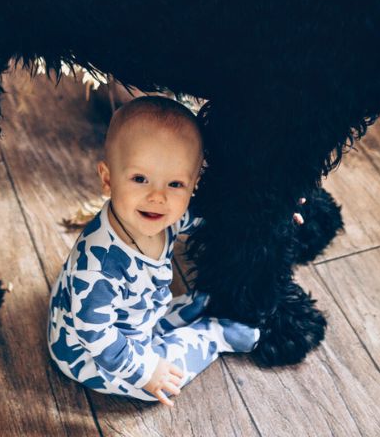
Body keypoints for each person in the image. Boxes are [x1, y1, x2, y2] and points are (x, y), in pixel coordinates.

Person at [47, 95, 260, 405]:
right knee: (158, 383)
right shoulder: (97, 267)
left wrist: (258, 212)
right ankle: (216, 335)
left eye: (175, 184)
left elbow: (210, 217)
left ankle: (199, 304)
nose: (157, 196)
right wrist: (145, 370)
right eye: (139, 179)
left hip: (135, 315)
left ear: (192, 185)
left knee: (155, 316)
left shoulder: (165, 218)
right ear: (108, 180)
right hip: (89, 354)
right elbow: (97, 336)